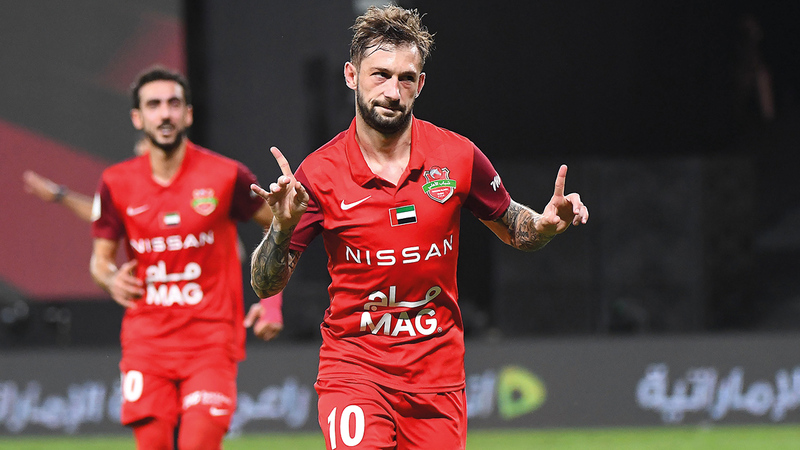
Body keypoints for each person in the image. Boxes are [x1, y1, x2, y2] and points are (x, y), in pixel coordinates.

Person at [249, 5, 589, 450]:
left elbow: (513, 225)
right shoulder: (318, 174)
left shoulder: (458, 156)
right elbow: (265, 284)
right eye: (380, 75)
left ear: (421, 84)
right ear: (351, 76)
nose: (392, 91)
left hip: (437, 380)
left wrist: (543, 225)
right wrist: (281, 226)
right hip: (355, 371)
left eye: (405, 78)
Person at [90, 66, 282, 450]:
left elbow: (279, 228)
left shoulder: (227, 175)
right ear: (137, 117)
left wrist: (271, 302)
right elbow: (99, 261)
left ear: (188, 114)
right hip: (146, 344)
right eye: (154, 105)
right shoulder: (115, 182)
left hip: (211, 342)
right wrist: (110, 278)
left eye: (174, 104)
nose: (165, 114)